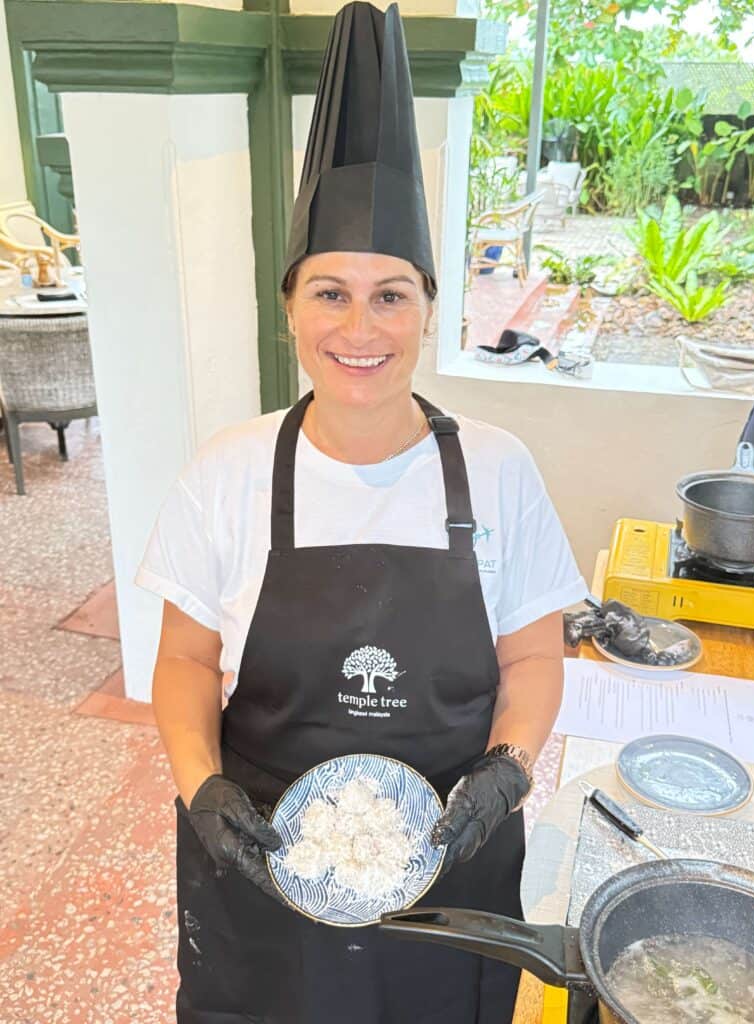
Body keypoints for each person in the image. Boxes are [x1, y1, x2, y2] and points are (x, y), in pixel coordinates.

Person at [136, 3, 587, 1021]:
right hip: (261, 860)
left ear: (429, 307)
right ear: (289, 304)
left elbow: (534, 659)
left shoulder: (499, 471)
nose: (360, 327)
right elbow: (183, 661)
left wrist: (508, 773)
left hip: (449, 872)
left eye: (391, 295)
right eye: (330, 292)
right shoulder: (230, 469)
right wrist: (202, 788)